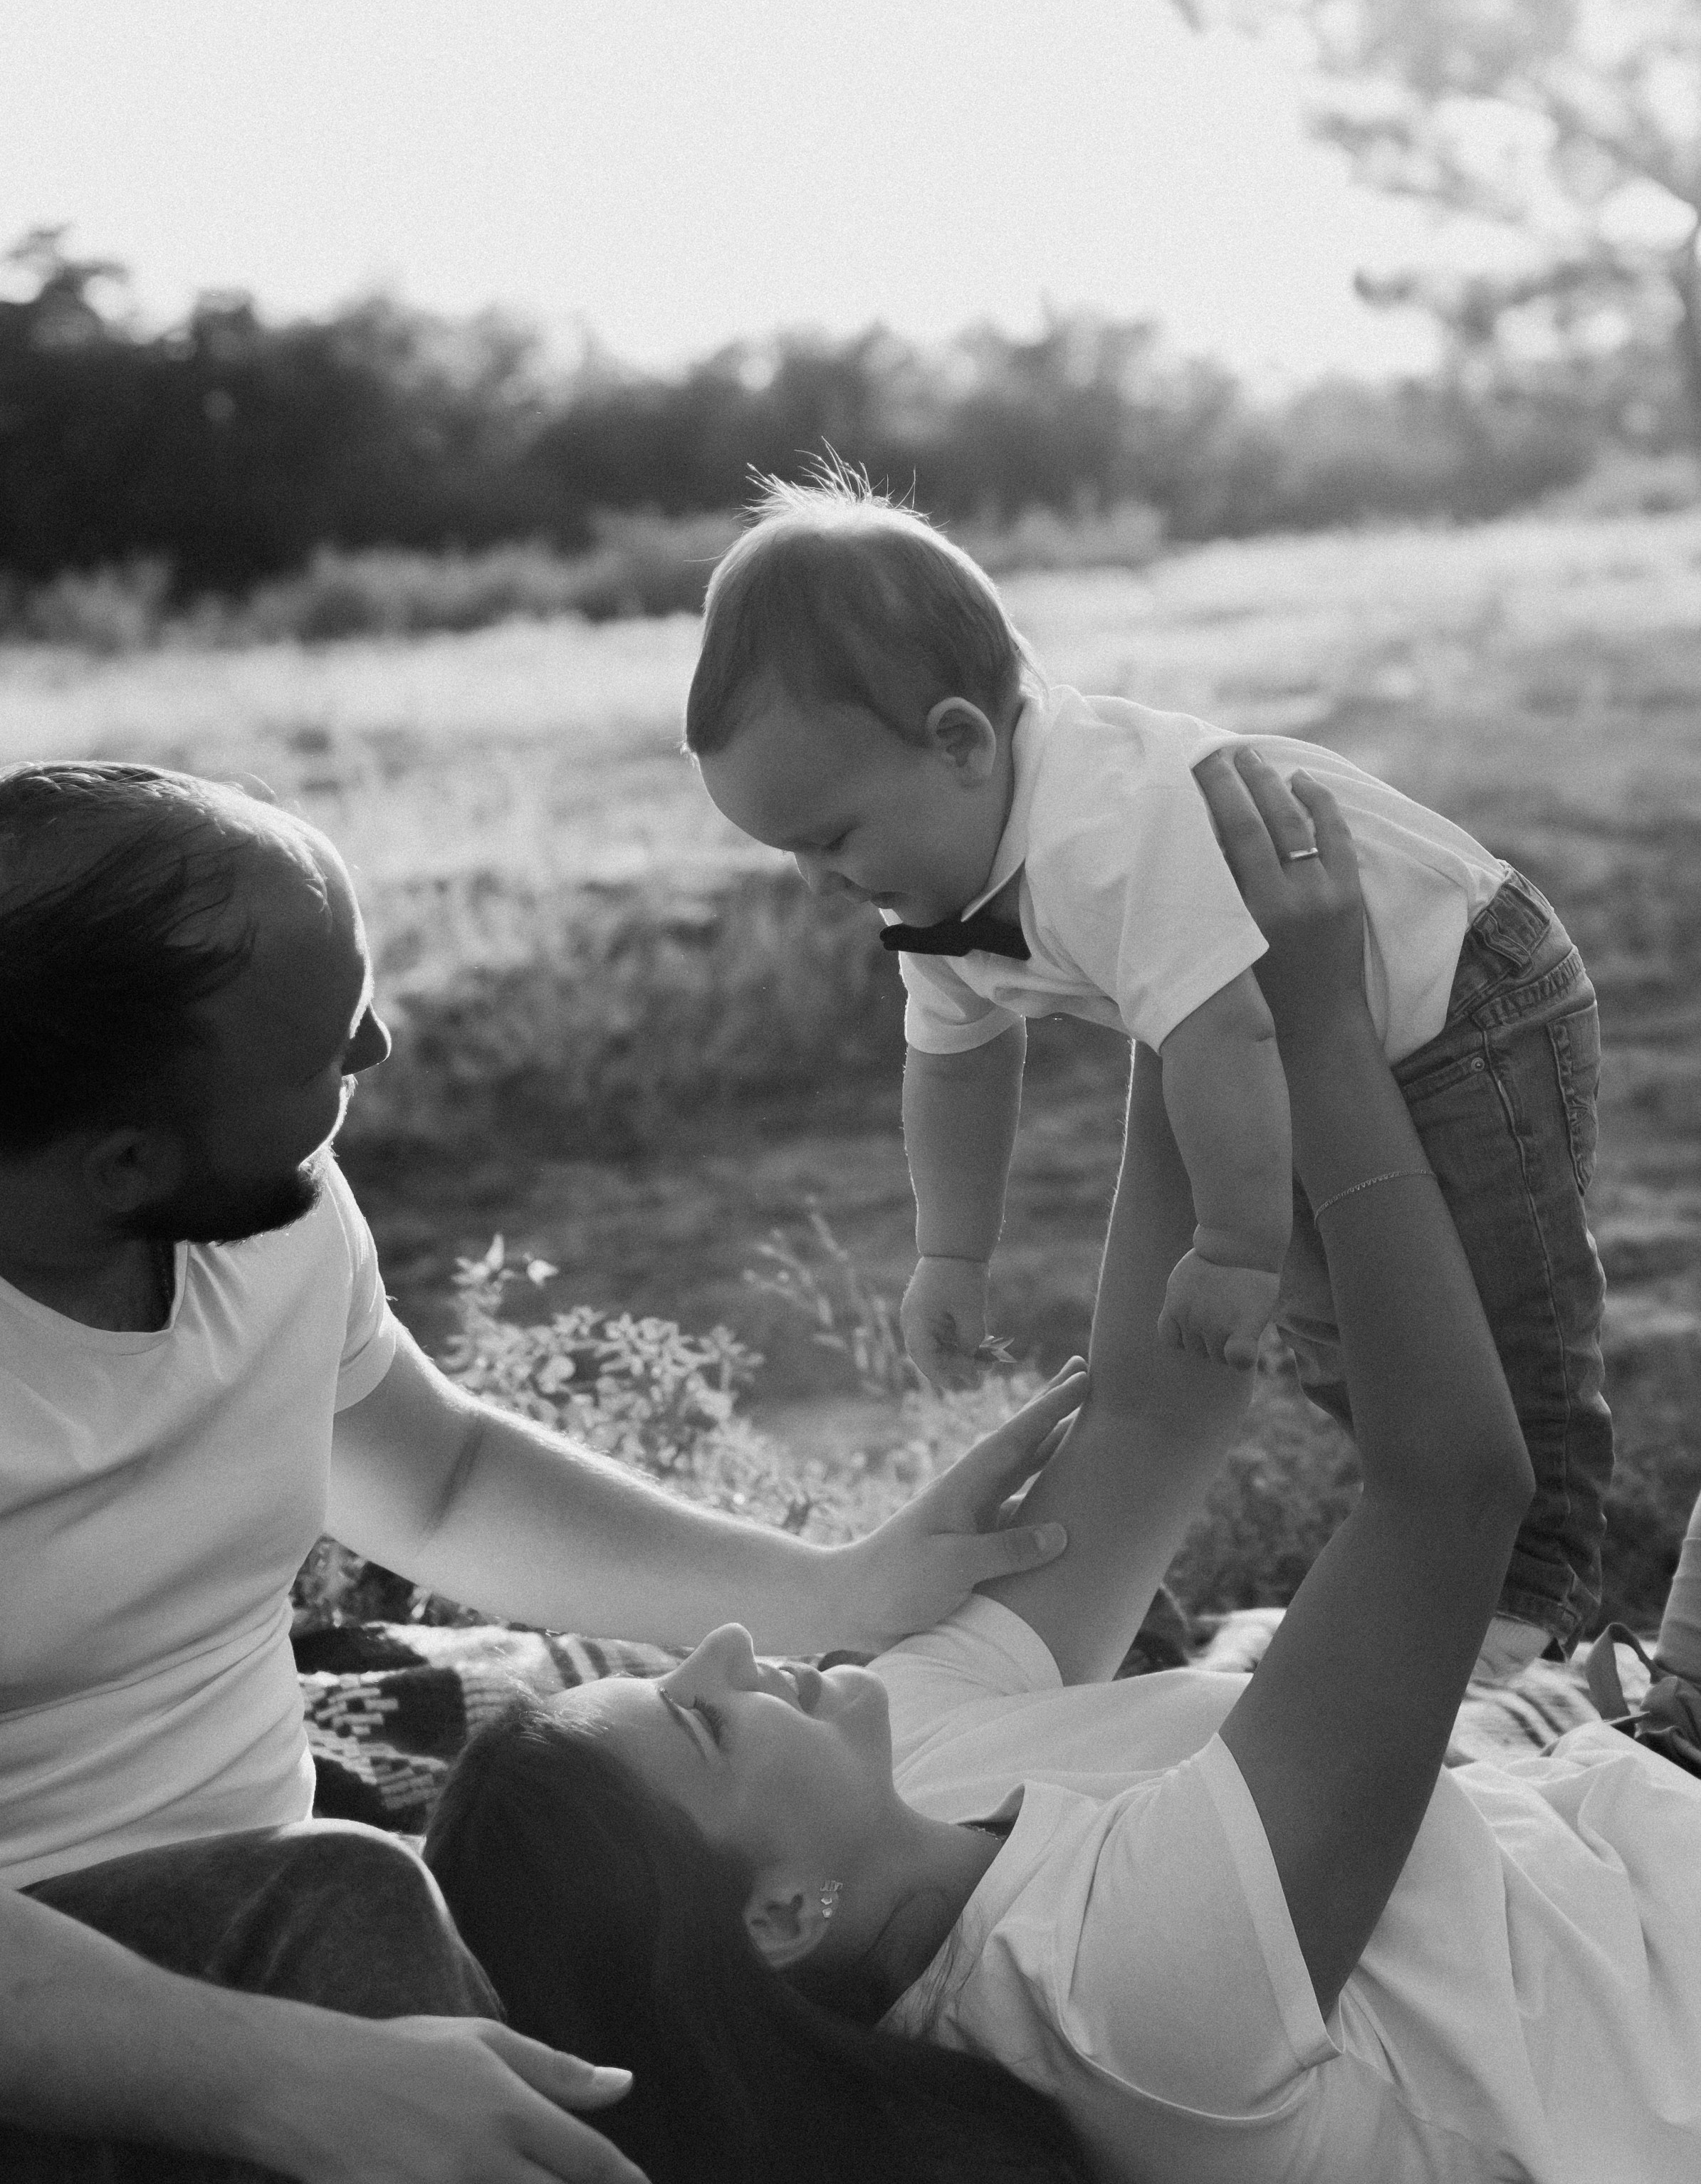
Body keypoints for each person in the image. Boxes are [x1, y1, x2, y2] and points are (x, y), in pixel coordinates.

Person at [426, 751, 1701, 2184]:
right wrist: (1317, 1025)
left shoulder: (914, 1742)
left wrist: (1177, 955)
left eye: (671, 1675)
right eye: (704, 1724)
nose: (723, 1647)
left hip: (1627, 1783)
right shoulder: (1119, 2002)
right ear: (781, 1913)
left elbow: (1157, 1413)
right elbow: (1458, 1485)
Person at [0, 758, 1082, 2183]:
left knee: (646, 1891)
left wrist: (842, 1585)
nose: (379, 1046)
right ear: (122, 1161)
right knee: (357, 1895)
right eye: (326, 1052)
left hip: (279, 1888)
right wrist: (268, 2073)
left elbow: (438, 1475)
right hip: (71, 1999)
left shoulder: (266, 1213)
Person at [683, 464, 1611, 1678]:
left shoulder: (1098, 829)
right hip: (1309, 1029)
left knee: (1501, 1297)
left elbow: (1221, 1036)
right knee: (1354, 1323)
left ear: (960, 743)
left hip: (1464, 990)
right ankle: (1443, 1539)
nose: (820, 883)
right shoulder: (943, 886)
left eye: (833, 837)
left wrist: (1233, 1245)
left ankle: (1533, 1589)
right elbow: (954, 1066)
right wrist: (948, 1253)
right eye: (788, 856)